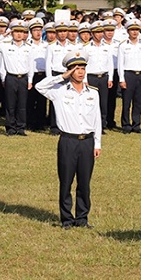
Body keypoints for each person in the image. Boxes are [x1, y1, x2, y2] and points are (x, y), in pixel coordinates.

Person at [35, 50, 102, 230]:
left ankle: (82, 218)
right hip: (68, 141)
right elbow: (39, 87)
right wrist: (61, 77)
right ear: (69, 71)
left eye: (83, 68)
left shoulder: (93, 93)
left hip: (87, 141)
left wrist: (97, 143)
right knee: (66, 181)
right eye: (76, 68)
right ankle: (66, 219)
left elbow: (97, 120)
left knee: (84, 182)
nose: (80, 71)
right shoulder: (59, 91)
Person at [0, 20, 32, 136]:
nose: (19, 34)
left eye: (21, 32)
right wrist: (3, 35)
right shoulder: (5, 46)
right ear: (12, 33)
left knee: (22, 104)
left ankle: (21, 127)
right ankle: (10, 127)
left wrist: (30, 80)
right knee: (10, 104)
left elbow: (31, 65)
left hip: (23, 77)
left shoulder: (28, 48)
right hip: (11, 77)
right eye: (16, 31)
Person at [117, 19, 141, 134]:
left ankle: (136, 125)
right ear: (128, 31)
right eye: (132, 30)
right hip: (128, 75)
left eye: (137, 30)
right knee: (126, 102)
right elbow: (120, 63)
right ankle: (126, 125)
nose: (135, 32)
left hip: (140, 75)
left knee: (139, 102)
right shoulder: (123, 46)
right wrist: (121, 79)